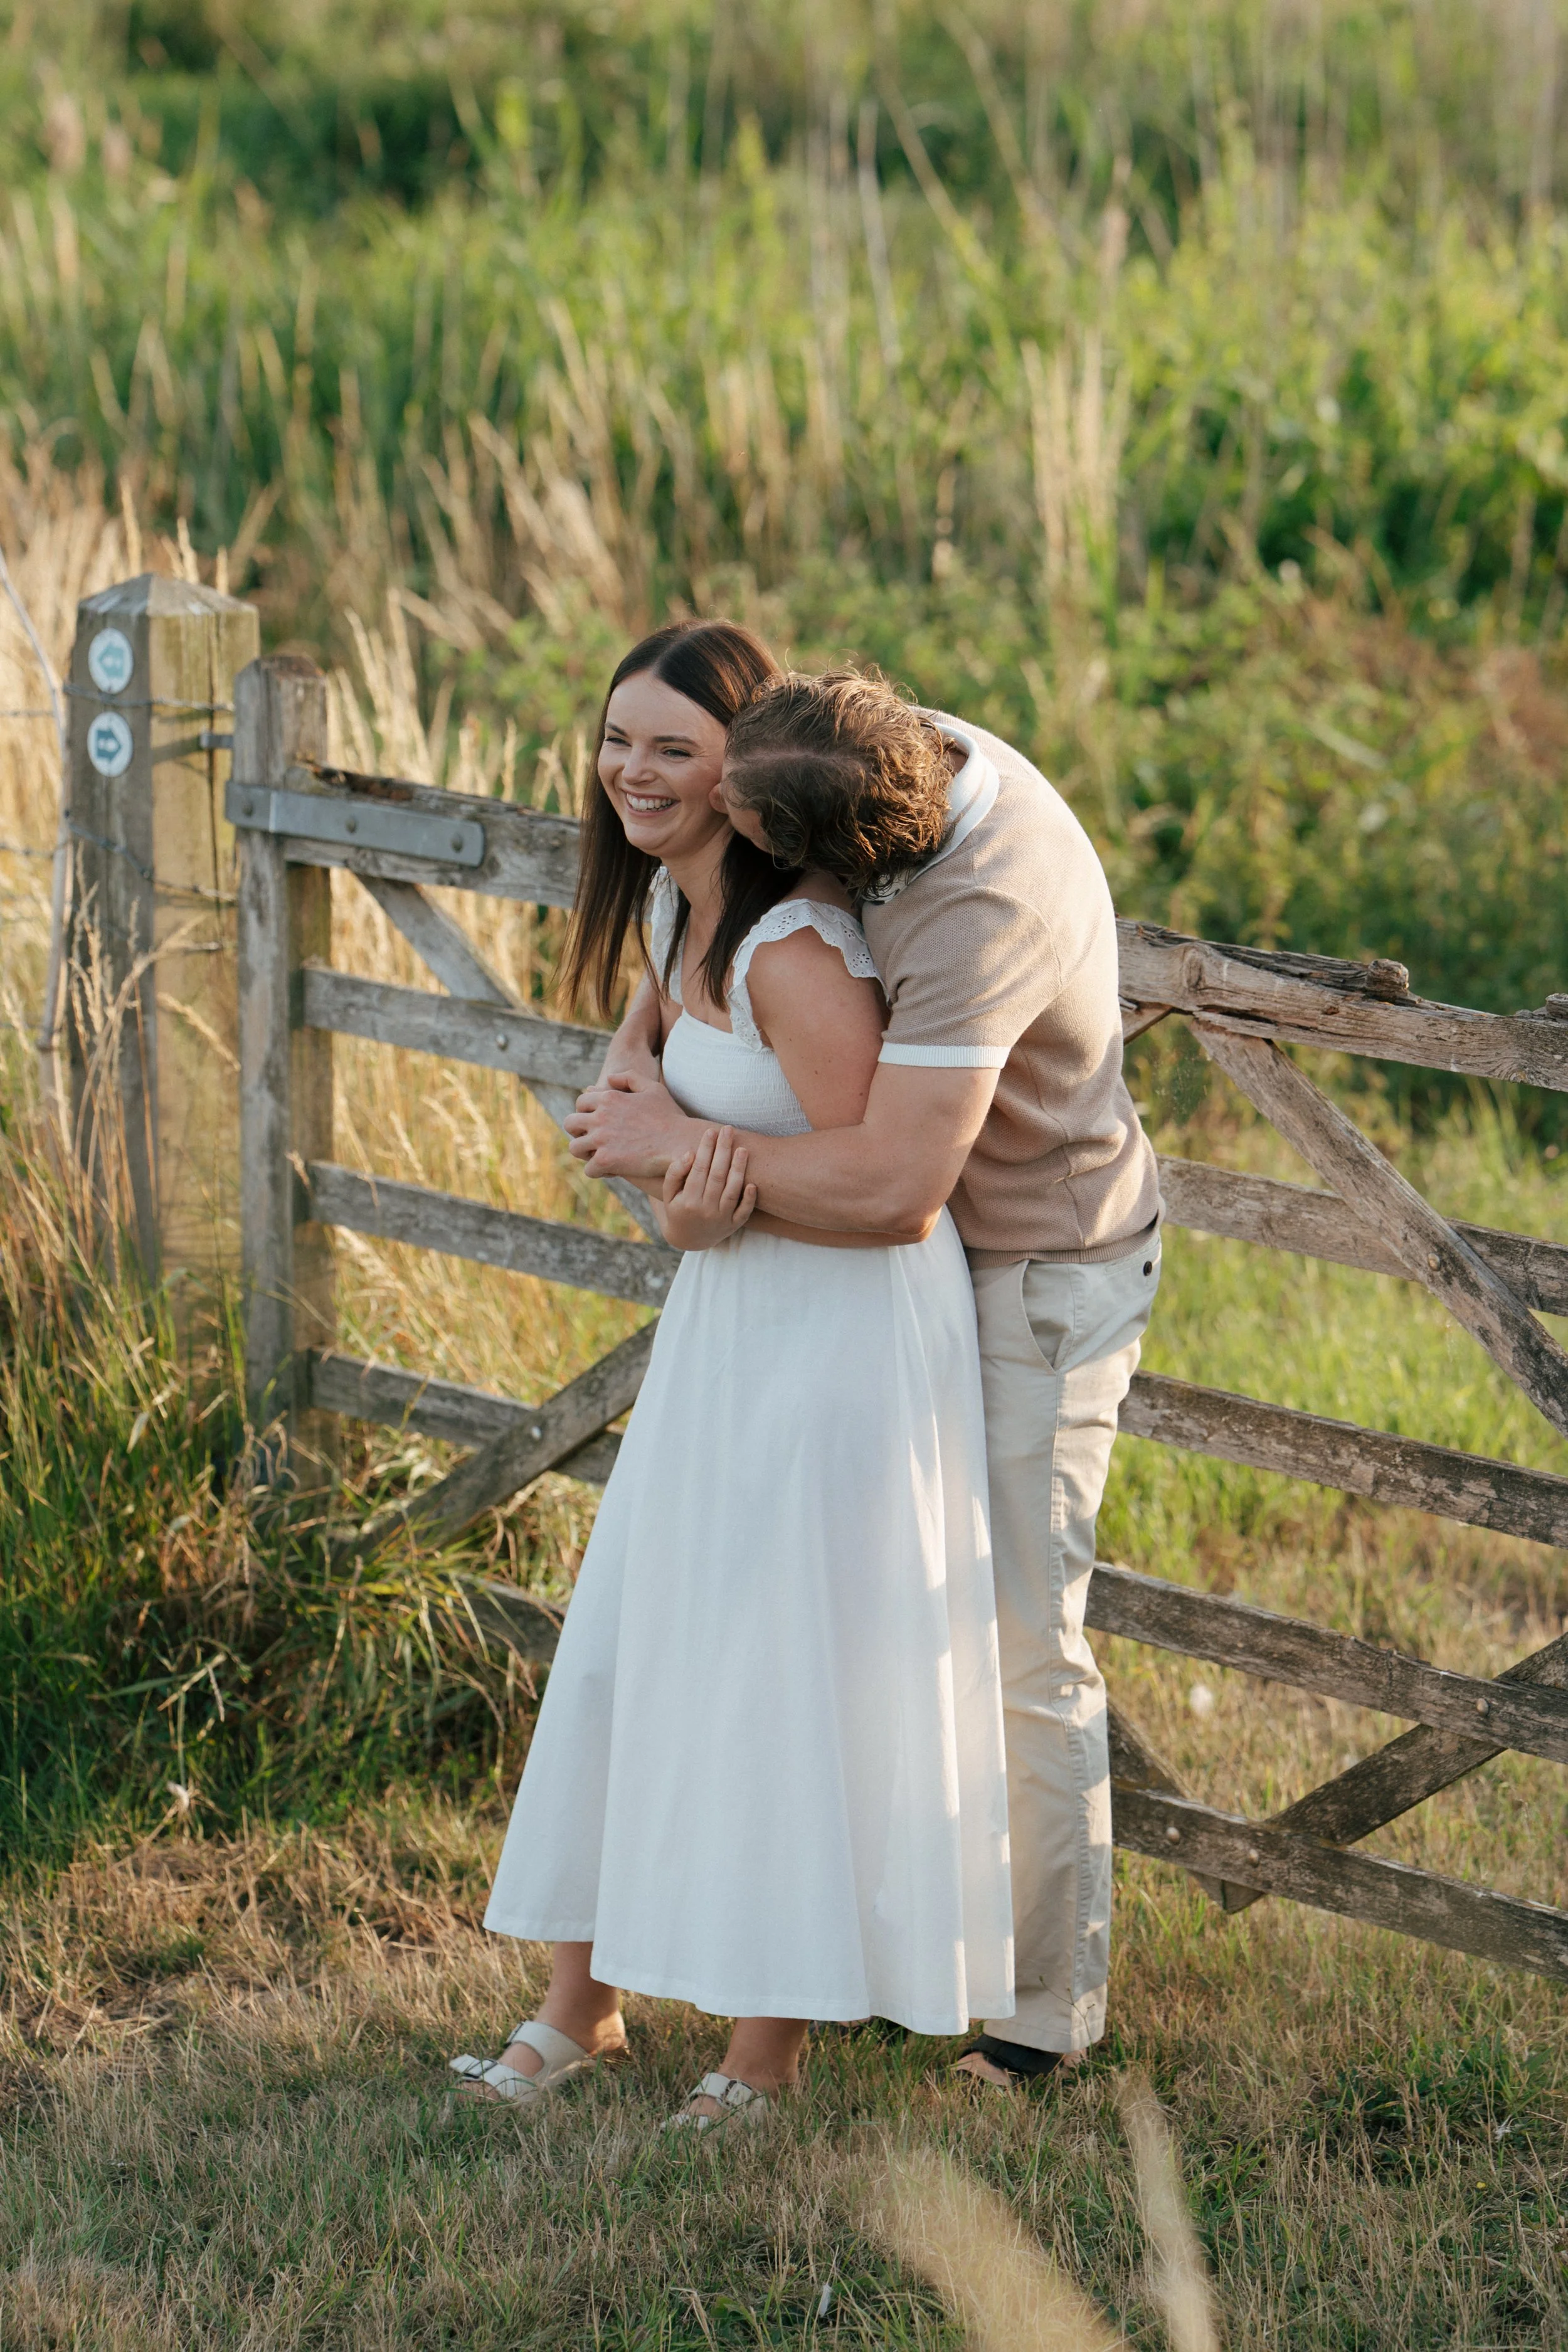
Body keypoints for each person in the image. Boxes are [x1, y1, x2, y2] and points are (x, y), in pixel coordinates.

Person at [452, 624, 1015, 2129]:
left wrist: (703, 1188)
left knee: (787, 1672)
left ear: (747, 784)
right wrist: (687, 1196)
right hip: (725, 1322)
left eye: (672, 750)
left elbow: (865, 1180)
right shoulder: (660, 922)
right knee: (644, 1639)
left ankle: (763, 2054)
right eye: (617, 739)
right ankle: (584, 2006)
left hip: (840, 1338)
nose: (633, 773)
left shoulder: (793, 952)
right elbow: (645, 1139)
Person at [568, 668, 1161, 2091]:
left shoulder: (977, 905)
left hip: (1028, 1264)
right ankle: (872, 1950)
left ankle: (1036, 2019)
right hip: (876, 1265)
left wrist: (678, 1159)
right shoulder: (837, 742)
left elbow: (896, 1182)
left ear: (855, 858)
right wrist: (679, 1151)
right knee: (860, 1617)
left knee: (1012, 1629)